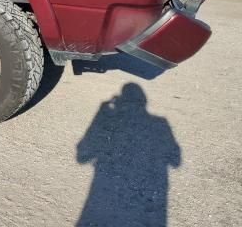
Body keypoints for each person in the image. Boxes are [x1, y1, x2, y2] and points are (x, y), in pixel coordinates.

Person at [76, 83, 181, 226]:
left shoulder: (159, 123)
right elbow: (175, 160)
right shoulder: (161, 124)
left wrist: (101, 112)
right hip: (149, 203)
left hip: (105, 195)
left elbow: (82, 156)